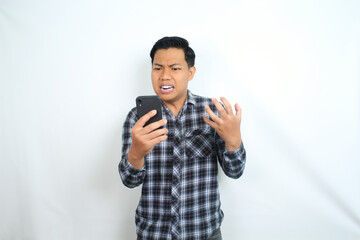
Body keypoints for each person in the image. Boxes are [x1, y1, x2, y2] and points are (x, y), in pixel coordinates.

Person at [118, 36, 246, 240]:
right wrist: (136, 153)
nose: (164, 76)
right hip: (154, 233)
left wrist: (233, 141)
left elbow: (235, 171)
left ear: (190, 72)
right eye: (158, 68)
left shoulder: (212, 113)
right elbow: (129, 180)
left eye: (175, 68)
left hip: (204, 231)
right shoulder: (137, 118)